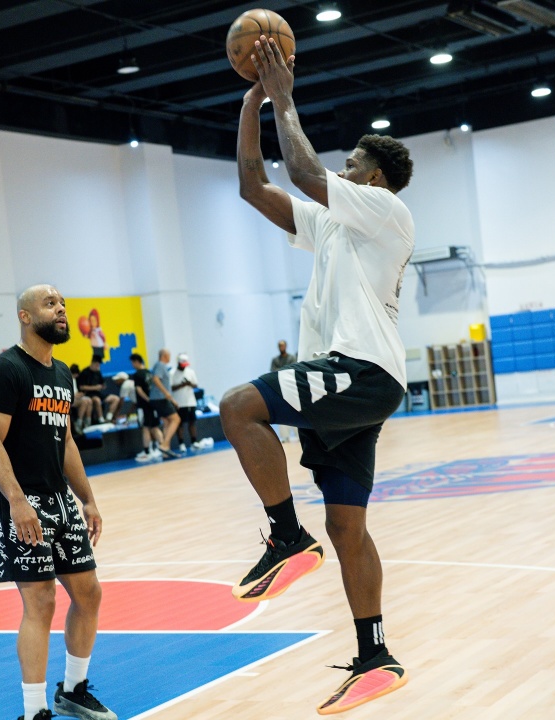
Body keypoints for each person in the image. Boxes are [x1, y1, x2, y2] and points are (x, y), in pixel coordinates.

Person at [219, 36, 414, 715]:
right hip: (357, 380)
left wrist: (284, 98)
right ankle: (376, 654)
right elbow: (253, 187)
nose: (343, 167)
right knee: (348, 527)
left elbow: (302, 170)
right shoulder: (332, 225)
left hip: (359, 368)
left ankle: (284, 535)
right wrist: (251, 103)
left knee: (238, 406)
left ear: (373, 179)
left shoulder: (386, 213)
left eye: (352, 163)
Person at [0, 284, 116, 720]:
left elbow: (67, 441)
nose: (60, 310)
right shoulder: (6, 370)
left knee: (89, 593)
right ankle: (34, 711)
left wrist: (88, 499)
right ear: (24, 316)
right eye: (49, 304)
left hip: (60, 499)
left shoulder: (62, 375)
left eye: (62, 304)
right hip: (20, 500)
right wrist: (17, 501)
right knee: (41, 601)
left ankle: (73, 691)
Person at [129, 353, 163, 462]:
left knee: (145, 427)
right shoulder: (149, 373)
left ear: (136, 362)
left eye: (132, 363)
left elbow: (139, 390)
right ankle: (163, 447)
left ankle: (147, 451)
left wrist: (147, 399)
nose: (132, 365)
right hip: (153, 404)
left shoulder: (137, 374)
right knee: (154, 426)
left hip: (144, 405)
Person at [149, 348, 181, 459]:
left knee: (167, 422)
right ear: (165, 356)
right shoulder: (160, 365)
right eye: (169, 355)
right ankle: (164, 445)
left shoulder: (161, 366)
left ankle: (165, 451)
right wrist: (166, 393)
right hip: (160, 398)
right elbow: (156, 379)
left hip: (160, 399)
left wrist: (172, 400)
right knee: (176, 419)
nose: (170, 358)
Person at [77, 358, 120, 424]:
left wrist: (102, 386)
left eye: (99, 365)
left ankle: (109, 418)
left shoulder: (98, 372)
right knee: (97, 400)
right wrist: (95, 388)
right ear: (92, 363)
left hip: (98, 393)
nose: (98, 367)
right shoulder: (84, 372)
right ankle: (101, 419)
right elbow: (82, 387)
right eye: (97, 365)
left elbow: (102, 383)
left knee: (115, 399)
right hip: (89, 394)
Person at [171, 353, 199, 453]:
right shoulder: (172, 373)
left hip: (190, 401)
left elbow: (196, 385)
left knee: (192, 422)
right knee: (180, 424)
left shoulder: (190, 372)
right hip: (179, 402)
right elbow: (171, 388)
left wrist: (189, 383)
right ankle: (181, 443)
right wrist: (181, 385)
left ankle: (194, 441)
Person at [270, 340, 297, 442]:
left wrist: (281, 370)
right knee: (282, 412)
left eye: (283, 346)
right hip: (280, 389)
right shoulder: (275, 360)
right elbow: (273, 372)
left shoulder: (292, 358)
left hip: (292, 388)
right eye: (280, 346)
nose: (281, 347)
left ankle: (298, 435)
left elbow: (293, 369)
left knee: (295, 410)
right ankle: (285, 436)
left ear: (286, 346)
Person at [69, 363, 93, 434]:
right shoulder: (67, 379)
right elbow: (70, 393)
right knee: (84, 402)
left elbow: (75, 392)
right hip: (70, 399)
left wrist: (80, 394)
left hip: (75, 397)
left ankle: (87, 423)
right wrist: (76, 395)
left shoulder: (74, 379)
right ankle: (78, 423)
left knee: (89, 400)